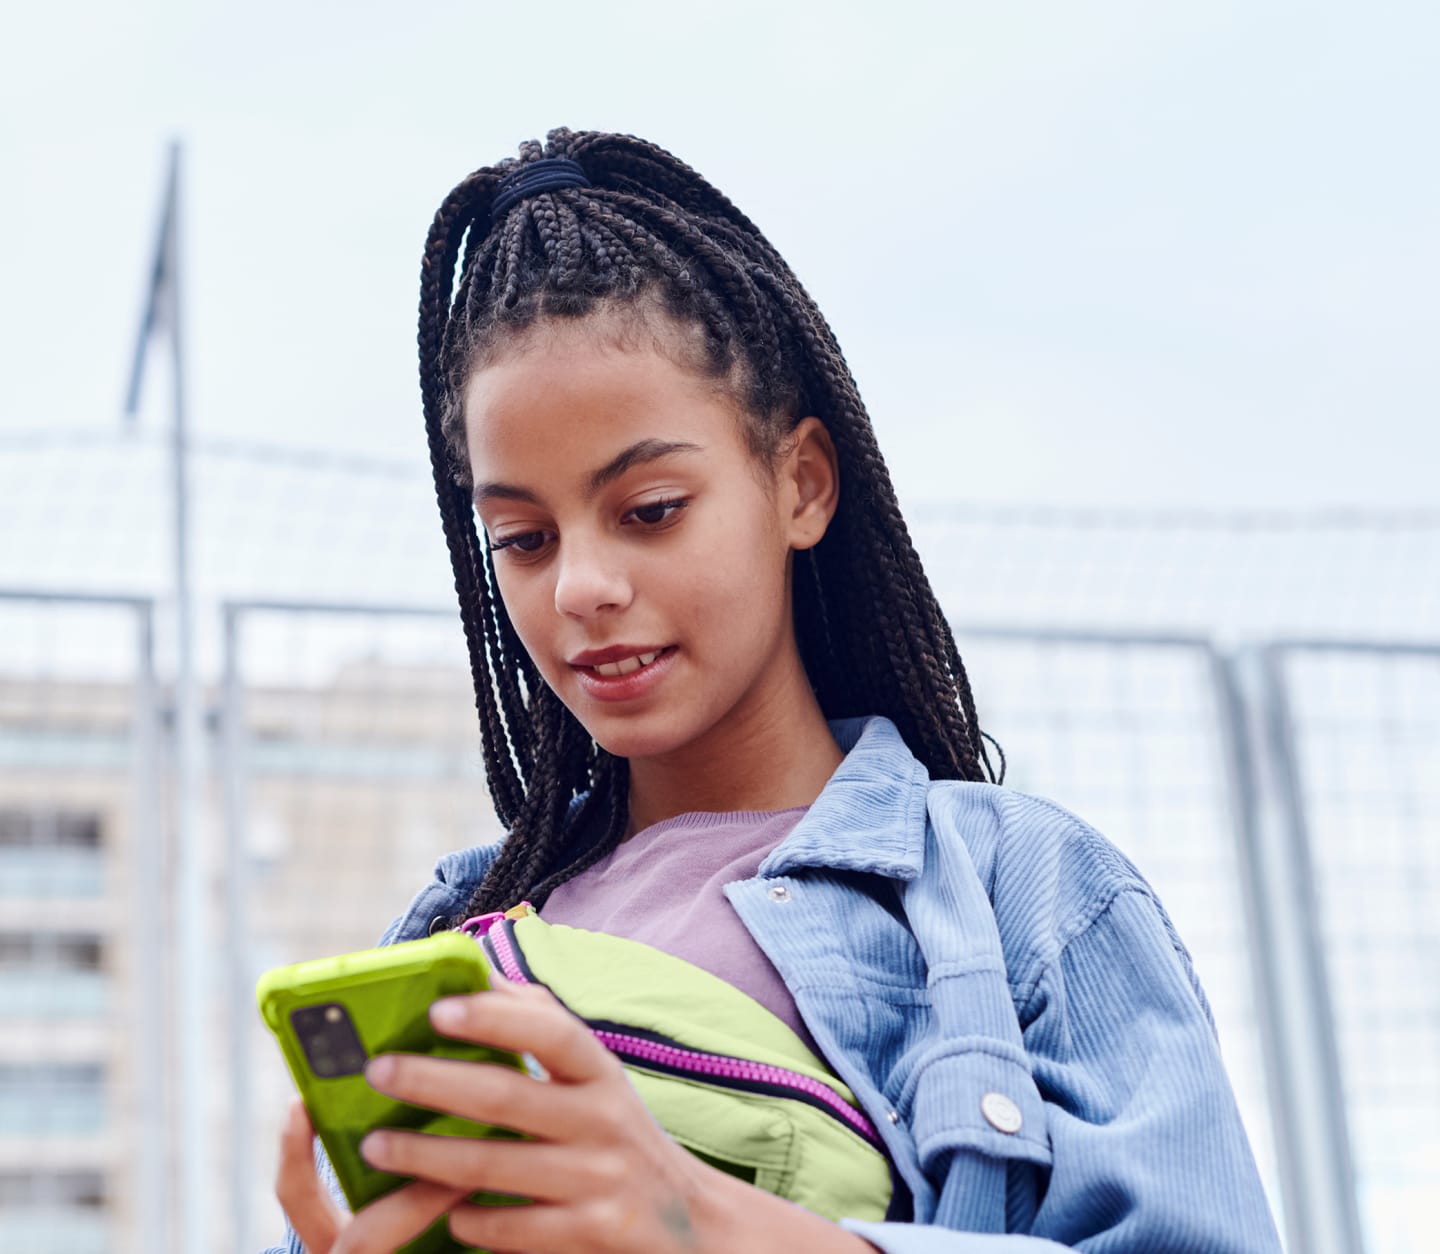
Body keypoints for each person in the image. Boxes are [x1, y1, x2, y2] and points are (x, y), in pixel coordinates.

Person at [268, 129, 1282, 1253]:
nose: (583, 589)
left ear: (800, 485)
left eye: (650, 510)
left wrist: (702, 1219)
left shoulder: (1026, 899)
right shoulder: (457, 940)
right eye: (523, 538)